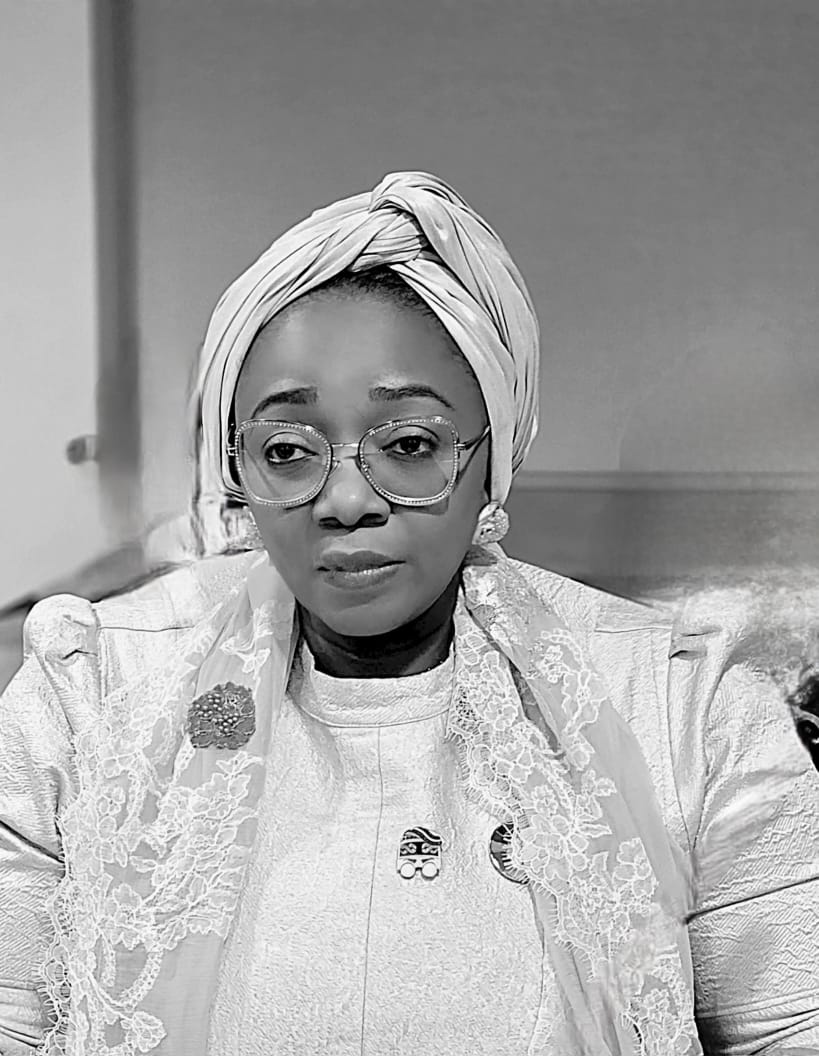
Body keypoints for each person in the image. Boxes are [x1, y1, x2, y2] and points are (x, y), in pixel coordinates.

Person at [1, 172, 817, 1056]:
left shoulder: (680, 705)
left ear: (489, 460)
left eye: (411, 444)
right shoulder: (93, 690)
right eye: (287, 451)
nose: (346, 500)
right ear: (238, 470)